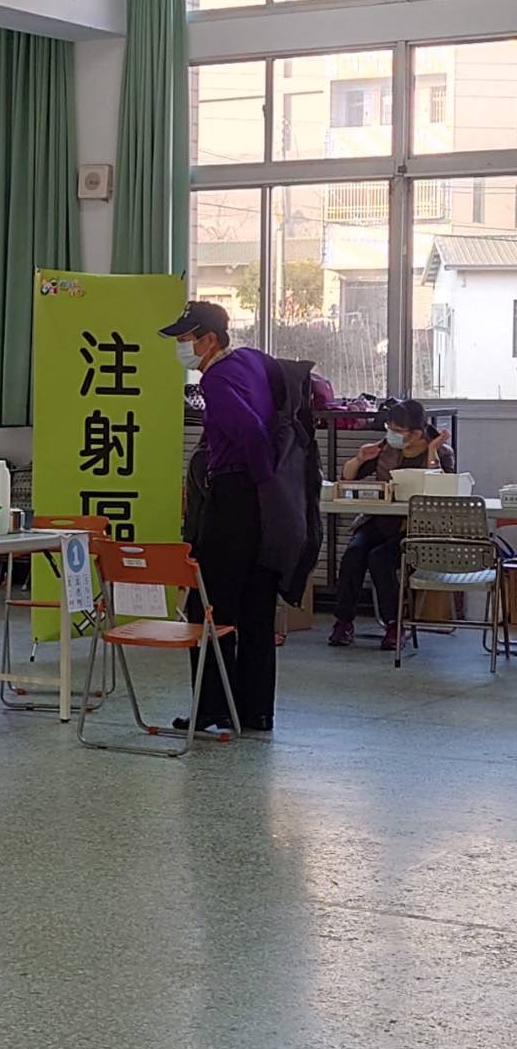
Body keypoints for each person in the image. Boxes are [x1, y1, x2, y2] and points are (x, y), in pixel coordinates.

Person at [162, 301, 318, 735]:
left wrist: (260, 477)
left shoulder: (216, 378)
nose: (181, 347)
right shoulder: (253, 361)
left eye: (185, 339)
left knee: (209, 606)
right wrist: (270, 489)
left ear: (209, 339)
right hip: (265, 504)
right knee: (256, 608)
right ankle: (255, 711)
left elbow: (248, 430)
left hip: (234, 497)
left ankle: (211, 706)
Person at [329, 399, 455, 651]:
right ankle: (343, 622)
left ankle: (394, 625)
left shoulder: (442, 452)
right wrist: (359, 458)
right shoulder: (385, 447)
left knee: (380, 558)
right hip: (377, 521)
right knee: (354, 553)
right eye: (390, 427)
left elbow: (443, 490)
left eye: (397, 429)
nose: (391, 433)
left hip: (413, 529)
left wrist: (431, 453)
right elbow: (347, 479)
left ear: (416, 433)